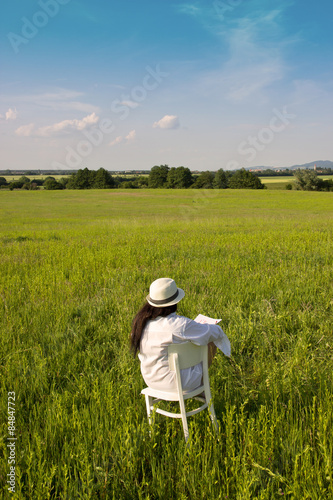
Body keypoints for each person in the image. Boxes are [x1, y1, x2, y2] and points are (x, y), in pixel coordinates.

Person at [130, 277, 231, 392]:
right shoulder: (180, 324)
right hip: (178, 382)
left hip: (151, 380)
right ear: (175, 302)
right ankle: (202, 386)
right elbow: (214, 332)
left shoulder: (141, 323)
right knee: (209, 342)